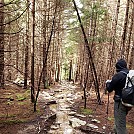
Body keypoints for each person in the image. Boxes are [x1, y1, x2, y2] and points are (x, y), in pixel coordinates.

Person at [106, 59, 130, 134]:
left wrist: (107, 83)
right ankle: (115, 131)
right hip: (129, 101)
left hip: (120, 102)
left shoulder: (118, 75)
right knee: (121, 119)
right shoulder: (129, 74)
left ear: (118, 67)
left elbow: (109, 89)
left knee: (120, 122)